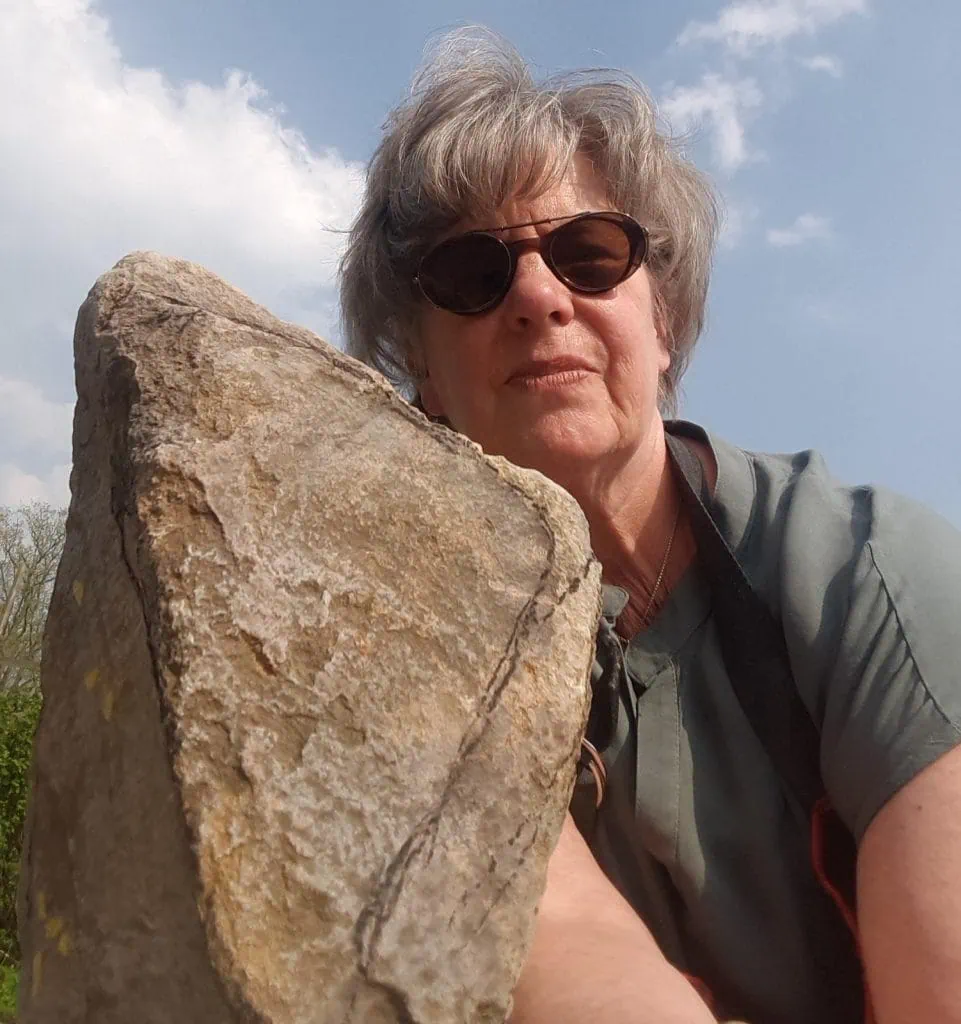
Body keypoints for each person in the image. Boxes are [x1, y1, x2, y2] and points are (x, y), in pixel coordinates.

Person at [339, 27, 961, 1024]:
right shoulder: (407, 646)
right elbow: (567, 937)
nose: (538, 296)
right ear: (422, 370)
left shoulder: (869, 573)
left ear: (661, 322)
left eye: (589, 254)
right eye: (470, 273)